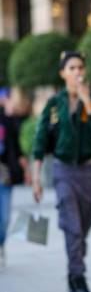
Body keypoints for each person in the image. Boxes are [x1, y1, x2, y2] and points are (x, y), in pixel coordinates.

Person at [32, 51, 91, 292]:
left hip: (88, 172)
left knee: (84, 225)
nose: (77, 72)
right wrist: (36, 178)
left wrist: (88, 102)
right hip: (63, 171)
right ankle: (78, 280)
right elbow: (41, 140)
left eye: (80, 67)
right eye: (72, 68)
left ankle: (73, 271)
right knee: (73, 227)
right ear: (63, 73)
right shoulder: (54, 104)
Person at [0, 88, 31, 275]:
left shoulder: (8, 120)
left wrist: (28, 172)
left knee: (4, 219)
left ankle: (1, 244)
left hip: (4, 175)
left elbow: (17, 149)